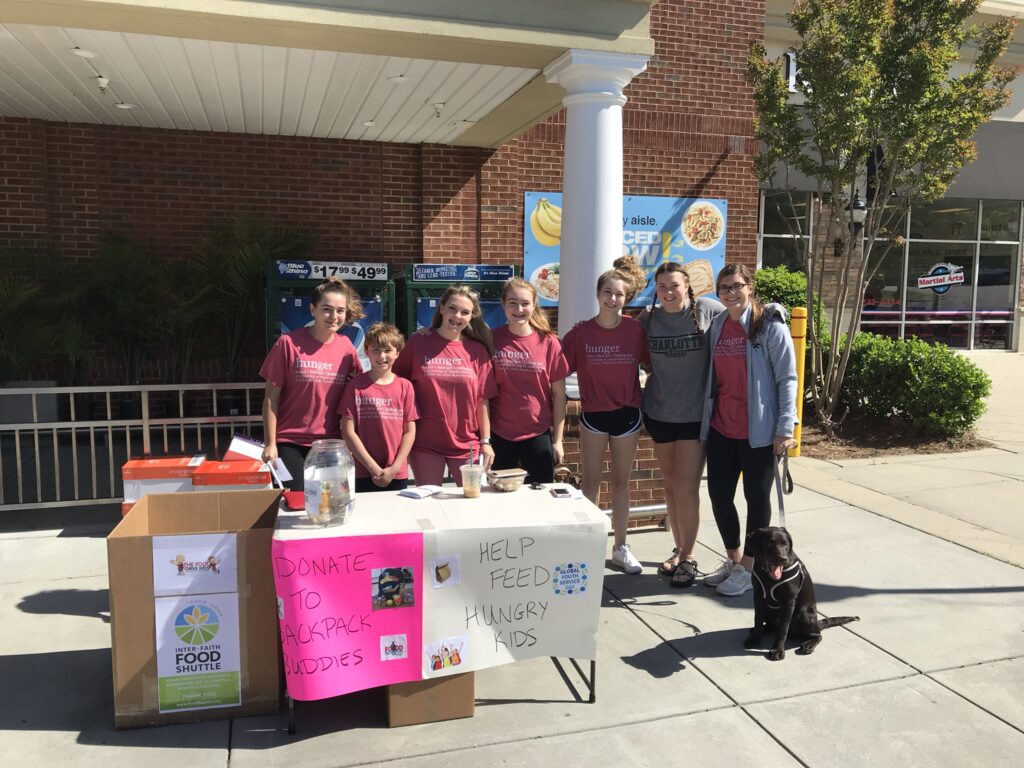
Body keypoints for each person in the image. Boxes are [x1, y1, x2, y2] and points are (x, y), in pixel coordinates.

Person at [700, 263, 798, 596]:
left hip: (759, 432)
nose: (730, 293)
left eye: (736, 286)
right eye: (723, 287)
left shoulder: (770, 327)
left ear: (750, 287)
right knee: (719, 497)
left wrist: (785, 426)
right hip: (722, 428)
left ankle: (750, 568)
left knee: (756, 500)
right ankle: (734, 559)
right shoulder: (716, 327)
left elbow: (788, 378)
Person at [639, 262, 724, 587]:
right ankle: (678, 548)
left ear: (687, 285)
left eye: (674, 285)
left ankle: (689, 557)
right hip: (659, 413)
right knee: (671, 486)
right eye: (662, 287)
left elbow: (741, 319)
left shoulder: (707, 309)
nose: (669, 292)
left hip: (694, 415)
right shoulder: (649, 318)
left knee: (687, 488)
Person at [562, 256, 648, 574]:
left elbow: (655, 365)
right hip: (594, 415)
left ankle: (621, 547)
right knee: (591, 484)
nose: (613, 299)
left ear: (626, 299)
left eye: (619, 294)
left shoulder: (635, 330)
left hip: (627, 415)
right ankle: (589, 546)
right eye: (607, 293)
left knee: (621, 483)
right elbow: (555, 368)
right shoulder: (581, 333)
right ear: (598, 295)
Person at [260, 277, 364, 490]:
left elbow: (358, 394)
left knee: (331, 506)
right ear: (312, 309)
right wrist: (270, 443)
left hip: (332, 444)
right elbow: (271, 398)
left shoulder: (347, 349)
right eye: (327, 309)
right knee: (296, 504)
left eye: (340, 310)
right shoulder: (288, 344)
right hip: (290, 442)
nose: (334, 316)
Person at [393, 285, 497, 486]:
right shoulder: (418, 342)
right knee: (430, 505)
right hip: (425, 443)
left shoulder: (477, 351)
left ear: (471, 317)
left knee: (472, 504)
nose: (457, 316)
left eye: (465, 312)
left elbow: (481, 401)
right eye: (452, 308)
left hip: (467, 444)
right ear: (441, 308)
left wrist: (486, 441)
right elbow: (397, 387)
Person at [489, 277, 570, 483]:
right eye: (513, 303)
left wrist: (558, 440)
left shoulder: (549, 342)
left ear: (534, 305)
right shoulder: (490, 339)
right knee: (499, 498)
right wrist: (429, 332)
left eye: (525, 303)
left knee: (541, 498)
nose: (519, 309)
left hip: (537, 432)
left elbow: (559, 395)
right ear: (503, 305)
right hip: (499, 434)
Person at [339, 323, 418, 493]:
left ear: (397, 353)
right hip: (363, 471)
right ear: (366, 351)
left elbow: (409, 432)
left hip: (396, 473)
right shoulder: (355, 386)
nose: (382, 356)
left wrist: (395, 468)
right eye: (376, 350)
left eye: (387, 350)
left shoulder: (405, 387)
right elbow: (348, 431)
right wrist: (372, 467)